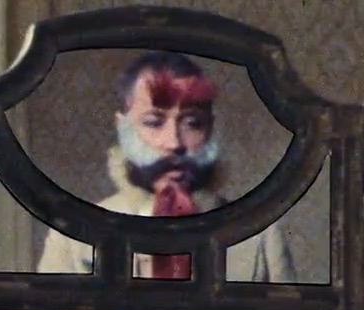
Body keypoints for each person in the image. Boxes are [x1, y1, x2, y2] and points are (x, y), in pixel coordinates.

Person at [36, 50, 294, 282]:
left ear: (211, 128)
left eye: (192, 123)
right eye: (153, 122)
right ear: (123, 128)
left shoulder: (260, 237)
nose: (174, 143)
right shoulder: (72, 236)